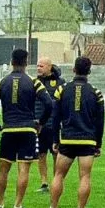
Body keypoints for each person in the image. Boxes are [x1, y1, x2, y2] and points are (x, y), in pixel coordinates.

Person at [0, 48, 53, 208]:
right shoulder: (33, 82)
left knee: (3, 169)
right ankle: (17, 206)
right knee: (24, 169)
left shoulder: (2, 83)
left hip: (8, 129)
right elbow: (49, 104)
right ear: (26, 62)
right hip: (27, 130)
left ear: (11, 62)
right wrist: (40, 123)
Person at [44, 57, 104, 208]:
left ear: (73, 69)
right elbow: (100, 121)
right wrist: (98, 144)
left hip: (68, 139)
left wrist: (55, 140)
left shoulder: (61, 90)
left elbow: (55, 117)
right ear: (89, 71)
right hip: (87, 140)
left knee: (59, 175)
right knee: (85, 176)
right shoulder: (96, 92)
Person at [34, 57, 65, 192]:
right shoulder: (34, 82)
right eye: (37, 66)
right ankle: (44, 183)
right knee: (41, 154)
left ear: (49, 67)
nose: (38, 68)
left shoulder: (59, 82)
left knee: (55, 154)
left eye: (41, 66)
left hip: (54, 124)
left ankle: (55, 181)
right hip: (39, 124)